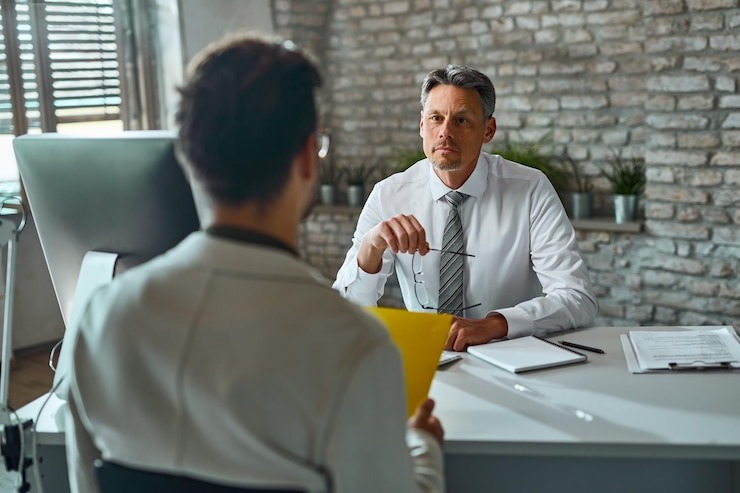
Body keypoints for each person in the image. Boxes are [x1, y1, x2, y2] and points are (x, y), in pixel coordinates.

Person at [63, 34, 444, 493]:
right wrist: (420, 449)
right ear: (307, 158)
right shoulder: (354, 346)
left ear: (188, 157)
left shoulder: (101, 317)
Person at [333, 65, 597, 351]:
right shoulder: (388, 195)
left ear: (488, 130)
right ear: (422, 125)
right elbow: (347, 313)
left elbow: (577, 297)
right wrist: (370, 248)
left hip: (513, 357)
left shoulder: (530, 189)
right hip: (429, 362)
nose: (445, 132)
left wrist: (494, 325)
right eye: (436, 118)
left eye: (461, 120)